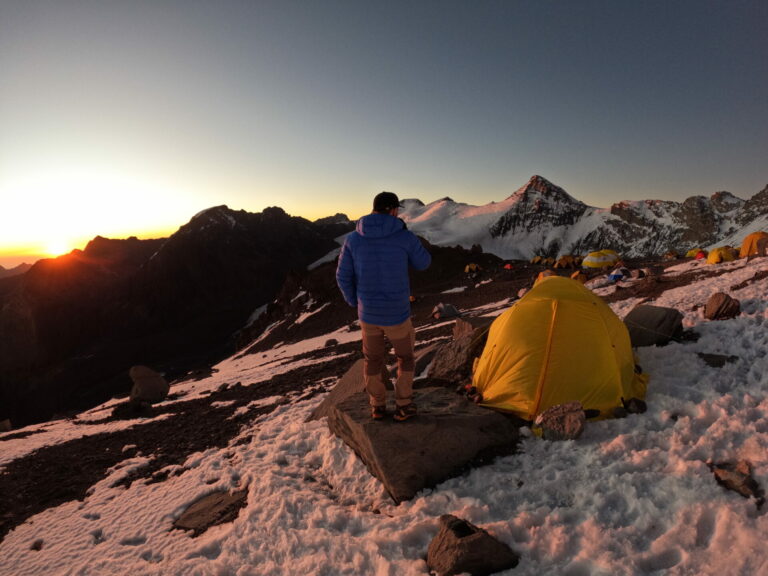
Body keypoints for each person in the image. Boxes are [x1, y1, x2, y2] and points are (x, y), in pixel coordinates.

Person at [336, 191, 431, 421]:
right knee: (405, 358)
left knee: (373, 360)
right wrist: (408, 238)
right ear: (393, 210)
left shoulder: (353, 239)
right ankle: (403, 404)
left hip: (368, 314)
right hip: (397, 313)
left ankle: (377, 406)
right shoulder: (403, 236)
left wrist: (354, 301)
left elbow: (342, 276)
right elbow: (424, 263)